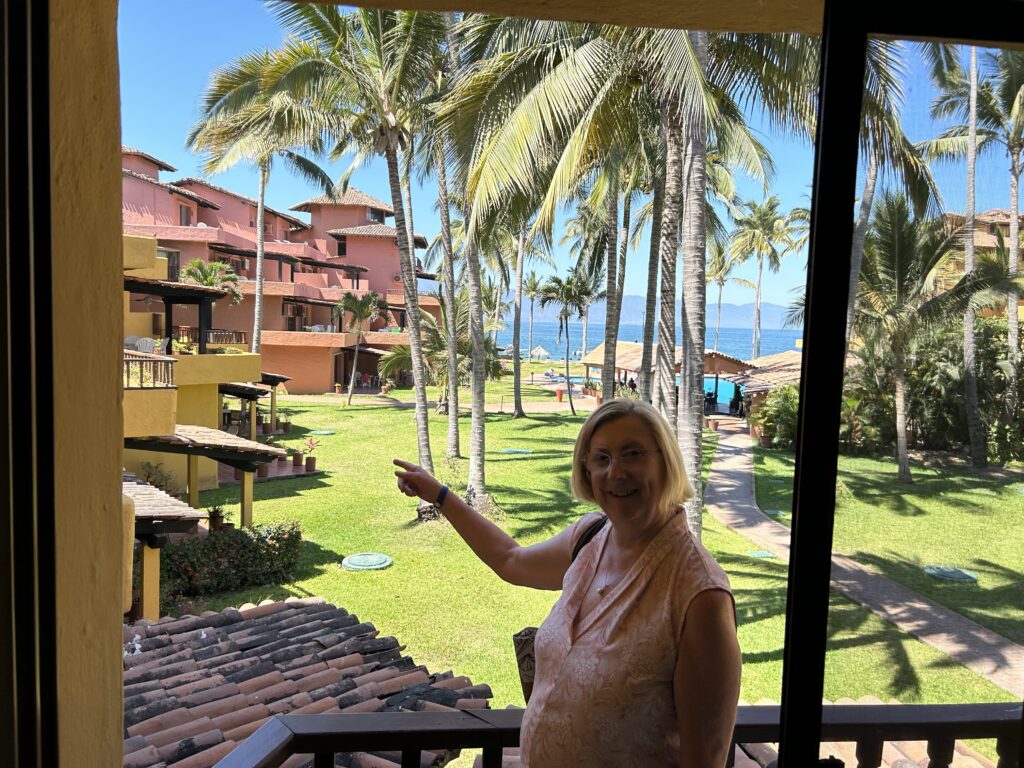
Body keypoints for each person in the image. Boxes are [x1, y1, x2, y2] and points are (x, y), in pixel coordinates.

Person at [393, 399, 740, 767]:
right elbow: (511, 560)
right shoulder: (590, 537)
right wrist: (440, 496)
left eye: (633, 453)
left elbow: (704, 761)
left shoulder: (699, 596)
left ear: (665, 461)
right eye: (602, 458)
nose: (616, 472)